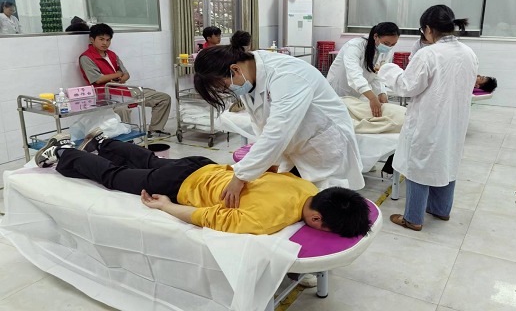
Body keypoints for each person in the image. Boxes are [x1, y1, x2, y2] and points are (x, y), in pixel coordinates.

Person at [34, 130, 372, 238]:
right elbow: (207, 217)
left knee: (150, 160)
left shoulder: (307, 187)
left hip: (204, 166)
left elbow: (266, 170)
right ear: (317, 219)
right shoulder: (265, 220)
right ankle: (62, 153)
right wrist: (166, 206)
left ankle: (104, 143)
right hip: (179, 184)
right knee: (114, 177)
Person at [194, 30, 364, 208]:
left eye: (223, 87)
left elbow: (277, 132)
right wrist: (264, 164)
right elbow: (261, 123)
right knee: (294, 200)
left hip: (323, 146)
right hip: (296, 146)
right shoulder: (247, 74)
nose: (226, 91)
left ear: (234, 70)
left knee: (325, 207)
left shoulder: (287, 75)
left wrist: (240, 176)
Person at [378, 5, 478, 231]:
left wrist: (387, 69)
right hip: (455, 119)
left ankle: (413, 218)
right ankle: (441, 210)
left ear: (429, 29)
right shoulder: (468, 53)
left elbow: (407, 86)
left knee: (419, 165)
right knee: (446, 161)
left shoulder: (429, 54)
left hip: (429, 120)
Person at [79, 23, 172, 137]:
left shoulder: (112, 55)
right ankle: (126, 138)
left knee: (163, 98)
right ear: (92, 39)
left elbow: (126, 74)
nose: (105, 43)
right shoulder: (86, 57)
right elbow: (98, 79)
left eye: (108, 40)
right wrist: (117, 74)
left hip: (123, 90)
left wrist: (120, 79)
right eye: (101, 39)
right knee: (122, 109)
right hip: (106, 94)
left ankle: (155, 129)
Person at [327, 23, 400, 117]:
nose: (389, 47)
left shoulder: (387, 51)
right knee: (338, 115)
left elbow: (377, 75)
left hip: (361, 92)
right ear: (375, 36)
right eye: (386, 43)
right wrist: (372, 97)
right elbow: (354, 75)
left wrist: (381, 92)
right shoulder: (354, 46)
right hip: (339, 90)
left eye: (393, 44)